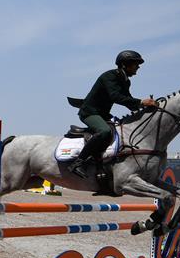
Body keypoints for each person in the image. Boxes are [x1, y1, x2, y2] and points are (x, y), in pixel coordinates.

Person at [68, 50, 158, 178]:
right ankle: (78, 163)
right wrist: (142, 102)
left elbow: (129, 102)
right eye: (135, 64)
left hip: (103, 114)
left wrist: (147, 110)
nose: (138, 66)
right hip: (89, 112)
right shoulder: (109, 76)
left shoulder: (126, 81)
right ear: (124, 64)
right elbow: (116, 96)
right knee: (104, 131)